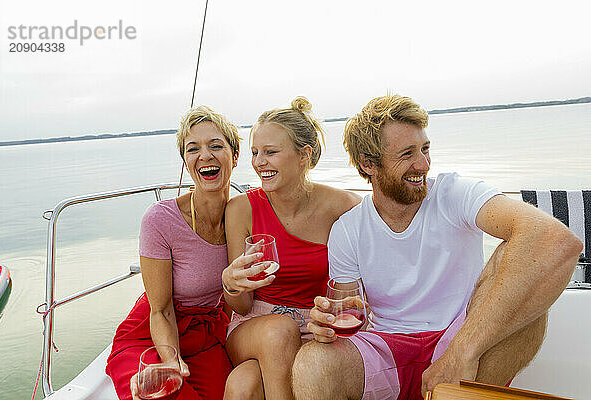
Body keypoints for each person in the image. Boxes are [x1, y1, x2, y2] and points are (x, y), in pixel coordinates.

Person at [291, 94, 583, 400]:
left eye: (425, 149)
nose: (424, 164)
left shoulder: (453, 193)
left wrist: (459, 354)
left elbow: (556, 240)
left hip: (462, 338)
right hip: (388, 349)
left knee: (528, 276)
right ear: (369, 164)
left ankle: (460, 393)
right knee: (313, 361)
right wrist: (328, 326)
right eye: (407, 154)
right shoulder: (348, 230)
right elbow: (353, 313)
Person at [105, 106, 259, 400]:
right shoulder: (161, 220)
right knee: (165, 393)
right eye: (193, 149)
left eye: (216, 145)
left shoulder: (245, 216)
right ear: (186, 162)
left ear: (235, 156)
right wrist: (171, 361)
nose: (205, 156)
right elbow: (159, 310)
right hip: (152, 335)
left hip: (208, 333)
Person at [221, 97, 362, 399]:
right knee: (279, 331)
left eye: (271, 152)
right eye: (256, 153)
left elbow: (363, 279)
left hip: (318, 324)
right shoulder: (240, 209)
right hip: (256, 325)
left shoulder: (344, 206)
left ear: (303, 155)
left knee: (242, 386)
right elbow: (242, 306)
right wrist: (232, 285)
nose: (259, 162)